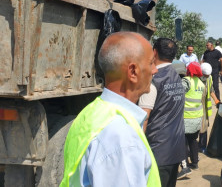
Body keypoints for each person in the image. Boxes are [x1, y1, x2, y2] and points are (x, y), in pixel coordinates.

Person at [61, 32, 160, 187]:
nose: (155, 70)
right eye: (151, 63)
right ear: (133, 72)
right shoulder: (122, 138)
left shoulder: (91, 112)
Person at [139, 38, 186, 187]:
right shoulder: (177, 77)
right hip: (176, 149)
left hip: (157, 151)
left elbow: (143, 118)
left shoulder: (154, 80)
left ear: (154, 52)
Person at [178, 62, 205, 179]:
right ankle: (195, 162)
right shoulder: (201, 83)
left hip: (186, 116)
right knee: (193, 140)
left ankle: (184, 166)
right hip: (197, 116)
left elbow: (178, 95)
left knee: (183, 141)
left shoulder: (186, 81)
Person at [198, 62, 221, 153]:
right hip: (195, 105)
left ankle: (202, 146)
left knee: (204, 126)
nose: (206, 77)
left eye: (208, 75)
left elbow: (211, 91)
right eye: (205, 75)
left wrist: (217, 101)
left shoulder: (209, 78)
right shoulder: (195, 78)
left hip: (204, 107)